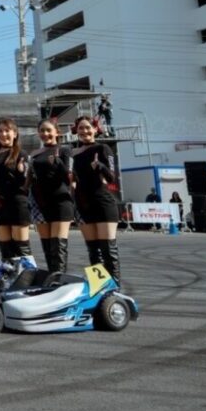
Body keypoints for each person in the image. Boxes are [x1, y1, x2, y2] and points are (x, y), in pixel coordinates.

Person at [71, 115, 123, 284]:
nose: (84, 131)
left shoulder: (103, 148)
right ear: (76, 131)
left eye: (88, 127)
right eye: (81, 128)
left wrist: (99, 166)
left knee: (107, 249)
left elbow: (111, 177)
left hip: (103, 203)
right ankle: (99, 286)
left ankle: (114, 288)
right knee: (93, 251)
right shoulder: (73, 153)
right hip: (83, 205)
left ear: (95, 129)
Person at [28, 119, 74, 273]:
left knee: (58, 247)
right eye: (42, 130)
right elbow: (30, 178)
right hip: (40, 203)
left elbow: (69, 178)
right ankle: (52, 279)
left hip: (60, 202)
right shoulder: (34, 154)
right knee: (47, 248)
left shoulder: (65, 150)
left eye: (48, 130)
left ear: (57, 132)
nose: (45, 133)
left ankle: (59, 281)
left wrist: (58, 161)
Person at [0, 117, 34, 264]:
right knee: (6, 250)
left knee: (21, 249)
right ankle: (10, 276)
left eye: (7, 130)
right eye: (0, 131)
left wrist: (22, 172)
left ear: (15, 133)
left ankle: (28, 276)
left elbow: (27, 181)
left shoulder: (22, 154)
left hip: (17, 204)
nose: (3, 134)